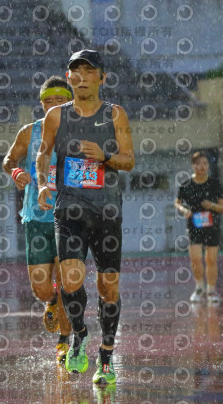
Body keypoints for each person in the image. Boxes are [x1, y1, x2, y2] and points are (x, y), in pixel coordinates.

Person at [36, 49, 135, 385]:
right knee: (70, 278)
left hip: (107, 213)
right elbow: (43, 153)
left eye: (89, 71)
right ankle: (79, 334)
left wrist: (104, 155)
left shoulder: (115, 114)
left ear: (101, 78)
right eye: (75, 71)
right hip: (70, 211)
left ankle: (106, 356)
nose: (81, 77)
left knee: (109, 288)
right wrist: (42, 183)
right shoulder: (56, 117)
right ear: (69, 78)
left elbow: (129, 161)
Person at [2, 76, 73, 363]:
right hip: (36, 217)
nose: (53, 105)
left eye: (60, 100)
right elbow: (8, 160)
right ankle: (51, 301)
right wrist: (16, 172)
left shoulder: (79, 131)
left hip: (69, 216)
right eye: (48, 101)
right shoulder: (29, 132)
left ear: (69, 102)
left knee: (67, 282)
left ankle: (65, 341)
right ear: (42, 103)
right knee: (41, 287)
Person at [174, 151, 223, 303]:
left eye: (205, 163)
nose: (202, 167)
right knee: (196, 259)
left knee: (211, 260)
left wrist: (211, 205)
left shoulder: (215, 184)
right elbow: (177, 202)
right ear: (193, 165)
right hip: (194, 226)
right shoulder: (186, 185)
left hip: (212, 226)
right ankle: (199, 287)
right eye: (198, 164)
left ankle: (211, 290)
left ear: (208, 165)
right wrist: (184, 210)